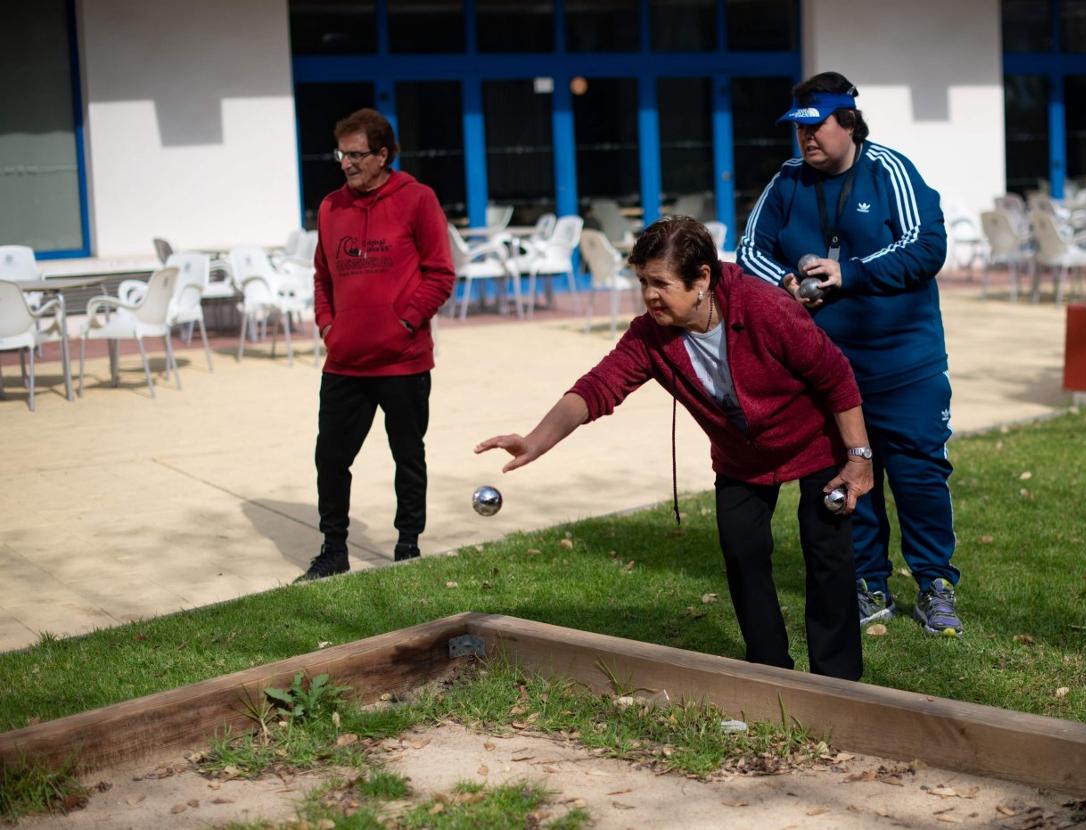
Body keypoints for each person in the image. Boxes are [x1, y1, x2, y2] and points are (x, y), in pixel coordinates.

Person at [475, 217, 874, 680]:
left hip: (813, 444)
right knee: (743, 554)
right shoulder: (652, 335)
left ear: (701, 278)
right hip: (741, 458)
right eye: (643, 281)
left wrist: (858, 459)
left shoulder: (764, 307)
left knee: (827, 559)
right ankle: (771, 674)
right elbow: (598, 387)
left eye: (660, 283)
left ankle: (839, 681)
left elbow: (835, 376)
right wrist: (536, 440)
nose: (649, 295)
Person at [737, 71, 963, 637]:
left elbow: (926, 246)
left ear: (848, 123)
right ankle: (869, 584)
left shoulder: (890, 170)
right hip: (828, 372)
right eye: (798, 129)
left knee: (918, 477)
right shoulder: (786, 181)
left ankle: (935, 585)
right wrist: (787, 283)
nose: (806, 139)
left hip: (904, 365)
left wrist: (848, 273)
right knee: (848, 478)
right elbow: (748, 252)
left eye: (816, 127)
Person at [298, 108, 456, 581]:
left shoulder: (418, 200)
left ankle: (407, 544)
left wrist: (405, 323)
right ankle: (333, 550)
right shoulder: (330, 207)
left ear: (383, 154)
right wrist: (328, 326)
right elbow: (322, 277)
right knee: (331, 456)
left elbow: (441, 273)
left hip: (403, 361)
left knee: (407, 454)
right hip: (345, 361)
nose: (346, 163)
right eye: (341, 153)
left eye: (356, 154)